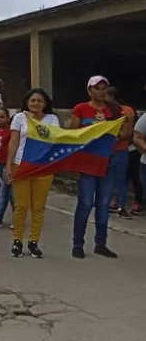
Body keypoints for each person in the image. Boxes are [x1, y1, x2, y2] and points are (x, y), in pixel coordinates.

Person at [70, 76, 129, 259]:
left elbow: (124, 133)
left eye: (104, 88)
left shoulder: (114, 109)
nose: (101, 91)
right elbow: (73, 134)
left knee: (103, 204)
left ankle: (100, 243)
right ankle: (78, 244)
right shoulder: (80, 109)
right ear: (89, 91)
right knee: (86, 203)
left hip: (107, 161)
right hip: (87, 162)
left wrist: (108, 127)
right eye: (97, 88)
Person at [4, 91, 60, 258]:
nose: (36, 103)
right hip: (21, 165)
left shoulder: (52, 119)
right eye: (32, 100)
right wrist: (8, 165)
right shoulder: (19, 118)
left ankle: (33, 241)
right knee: (21, 206)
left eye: (39, 101)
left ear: (45, 103)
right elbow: (13, 142)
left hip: (43, 167)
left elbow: (55, 140)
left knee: (38, 207)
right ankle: (17, 240)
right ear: (27, 102)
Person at [106, 87, 135, 220]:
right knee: (107, 179)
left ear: (112, 96)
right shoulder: (103, 110)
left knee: (121, 179)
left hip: (121, 149)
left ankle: (121, 206)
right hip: (105, 150)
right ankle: (106, 204)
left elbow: (127, 133)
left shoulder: (126, 110)